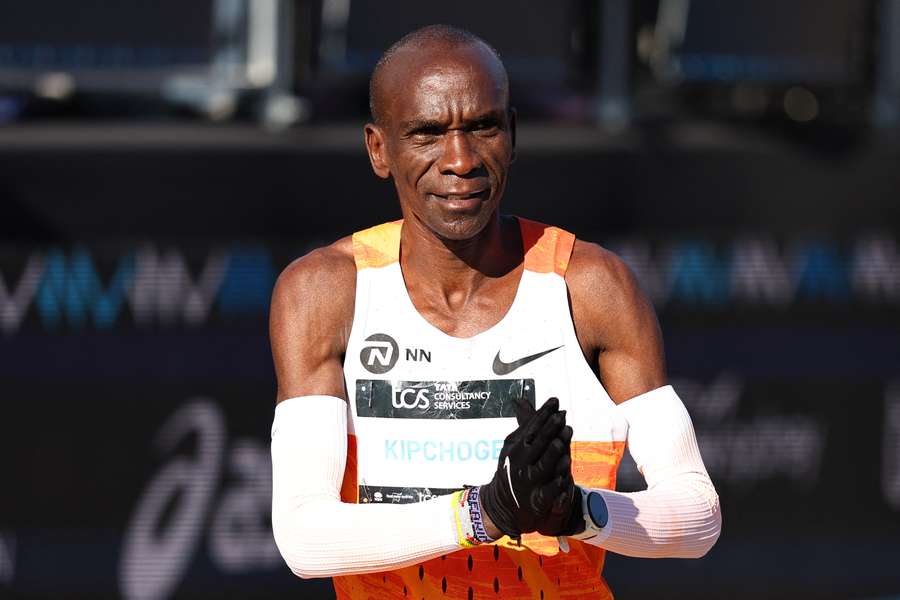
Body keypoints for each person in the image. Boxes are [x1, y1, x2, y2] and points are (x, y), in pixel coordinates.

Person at [269, 24, 721, 600]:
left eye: (481, 127)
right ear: (379, 150)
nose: (460, 160)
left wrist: (578, 513)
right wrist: (483, 513)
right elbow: (304, 538)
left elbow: (698, 517)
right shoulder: (324, 292)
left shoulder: (590, 286)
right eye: (427, 134)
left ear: (510, 134)